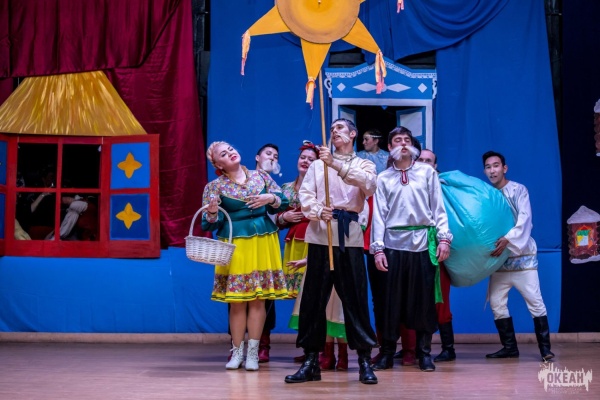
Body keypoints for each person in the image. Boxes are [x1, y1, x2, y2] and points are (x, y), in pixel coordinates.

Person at [284, 118, 378, 385]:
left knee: (355, 300)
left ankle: (364, 360)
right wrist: (317, 211)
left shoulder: (364, 164)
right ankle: (311, 360)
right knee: (313, 301)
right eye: (332, 128)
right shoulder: (316, 166)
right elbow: (306, 196)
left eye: (340, 128)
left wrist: (334, 163)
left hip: (350, 238)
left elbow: (369, 186)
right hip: (320, 236)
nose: (335, 131)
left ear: (353, 134)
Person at [370, 126, 452, 373]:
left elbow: (438, 207)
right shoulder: (383, 178)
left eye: (407, 140)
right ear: (389, 147)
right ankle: (387, 353)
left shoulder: (426, 172)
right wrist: (378, 249)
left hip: (422, 243)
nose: (403, 144)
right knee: (391, 301)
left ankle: (424, 353)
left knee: (423, 300)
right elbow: (379, 216)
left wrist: (444, 239)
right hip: (393, 245)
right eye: (398, 140)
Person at [202, 141, 289, 371]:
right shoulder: (214, 187)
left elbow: (284, 201)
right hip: (236, 244)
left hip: (263, 240)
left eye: (231, 149)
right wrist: (213, 213)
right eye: (223, 154)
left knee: (258, 300)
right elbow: (209, 223)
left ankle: (253, 353)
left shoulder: (261, 177)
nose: (230, 153)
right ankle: (236, 351)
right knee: (237, 301)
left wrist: (269, 199)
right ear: (218, 164)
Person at [281, 142, 349, 370]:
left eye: (312, 159)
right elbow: (278, 214)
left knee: (336, 301)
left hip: (332, 240)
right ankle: (316, 350)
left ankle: (340, 352)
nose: (306, 162)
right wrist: (283, 217)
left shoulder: (328, 182)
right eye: (303, 157)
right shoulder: (288, 188)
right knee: (311, 299)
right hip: (307, 240)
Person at [482, 151, 554, 362]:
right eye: (488, 167)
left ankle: (545, 350)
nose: (492, 170)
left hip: (522, 259)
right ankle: (509, 347)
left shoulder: (518, 190)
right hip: (499, 261)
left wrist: (508, 238)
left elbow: (525, 219)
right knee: (497, 303)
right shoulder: (486, 194)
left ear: (504, 168)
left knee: (535, 302)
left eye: (496, 165)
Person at [391, 149, 456, 363]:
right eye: (421, 160)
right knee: (409, 297)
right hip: (411, 247)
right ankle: (411, 349)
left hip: (437, 247)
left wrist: (444, 240)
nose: (425, 163)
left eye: (429, 161)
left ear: (436, 166)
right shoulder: (408, 183)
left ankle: (447, 348)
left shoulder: (444, 188)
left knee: (438, 298)